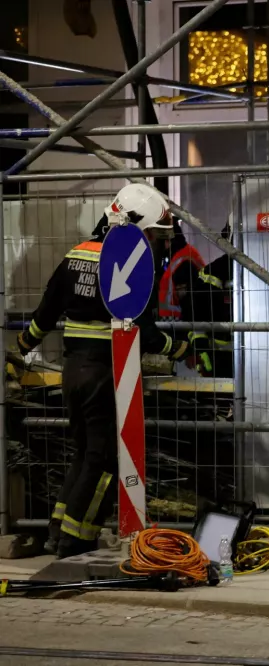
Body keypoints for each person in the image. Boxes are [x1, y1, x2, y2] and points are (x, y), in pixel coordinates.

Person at [17, 183, 192, 559]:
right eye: (157, 235)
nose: (160, 244)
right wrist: (179, 347)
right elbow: (143, 332)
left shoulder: (75, 255)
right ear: (137, 227)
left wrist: (21, 349)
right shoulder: (128, 266)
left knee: (83, 453)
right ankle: (77, 540)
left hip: (72, 371)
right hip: (102, 373)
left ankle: (56, 531)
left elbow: (44, 315)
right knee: (106, 459)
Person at [182, 221, 234, 379]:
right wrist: (200, 349)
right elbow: (194, 314)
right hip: (217, 360)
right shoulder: (213, 273)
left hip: (257, 360)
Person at [157, 218, 205, 322]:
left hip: (179, 325)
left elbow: (187, 301)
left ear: (167, 239)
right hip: (173, 322)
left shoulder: (183, 261)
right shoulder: (176, 257)